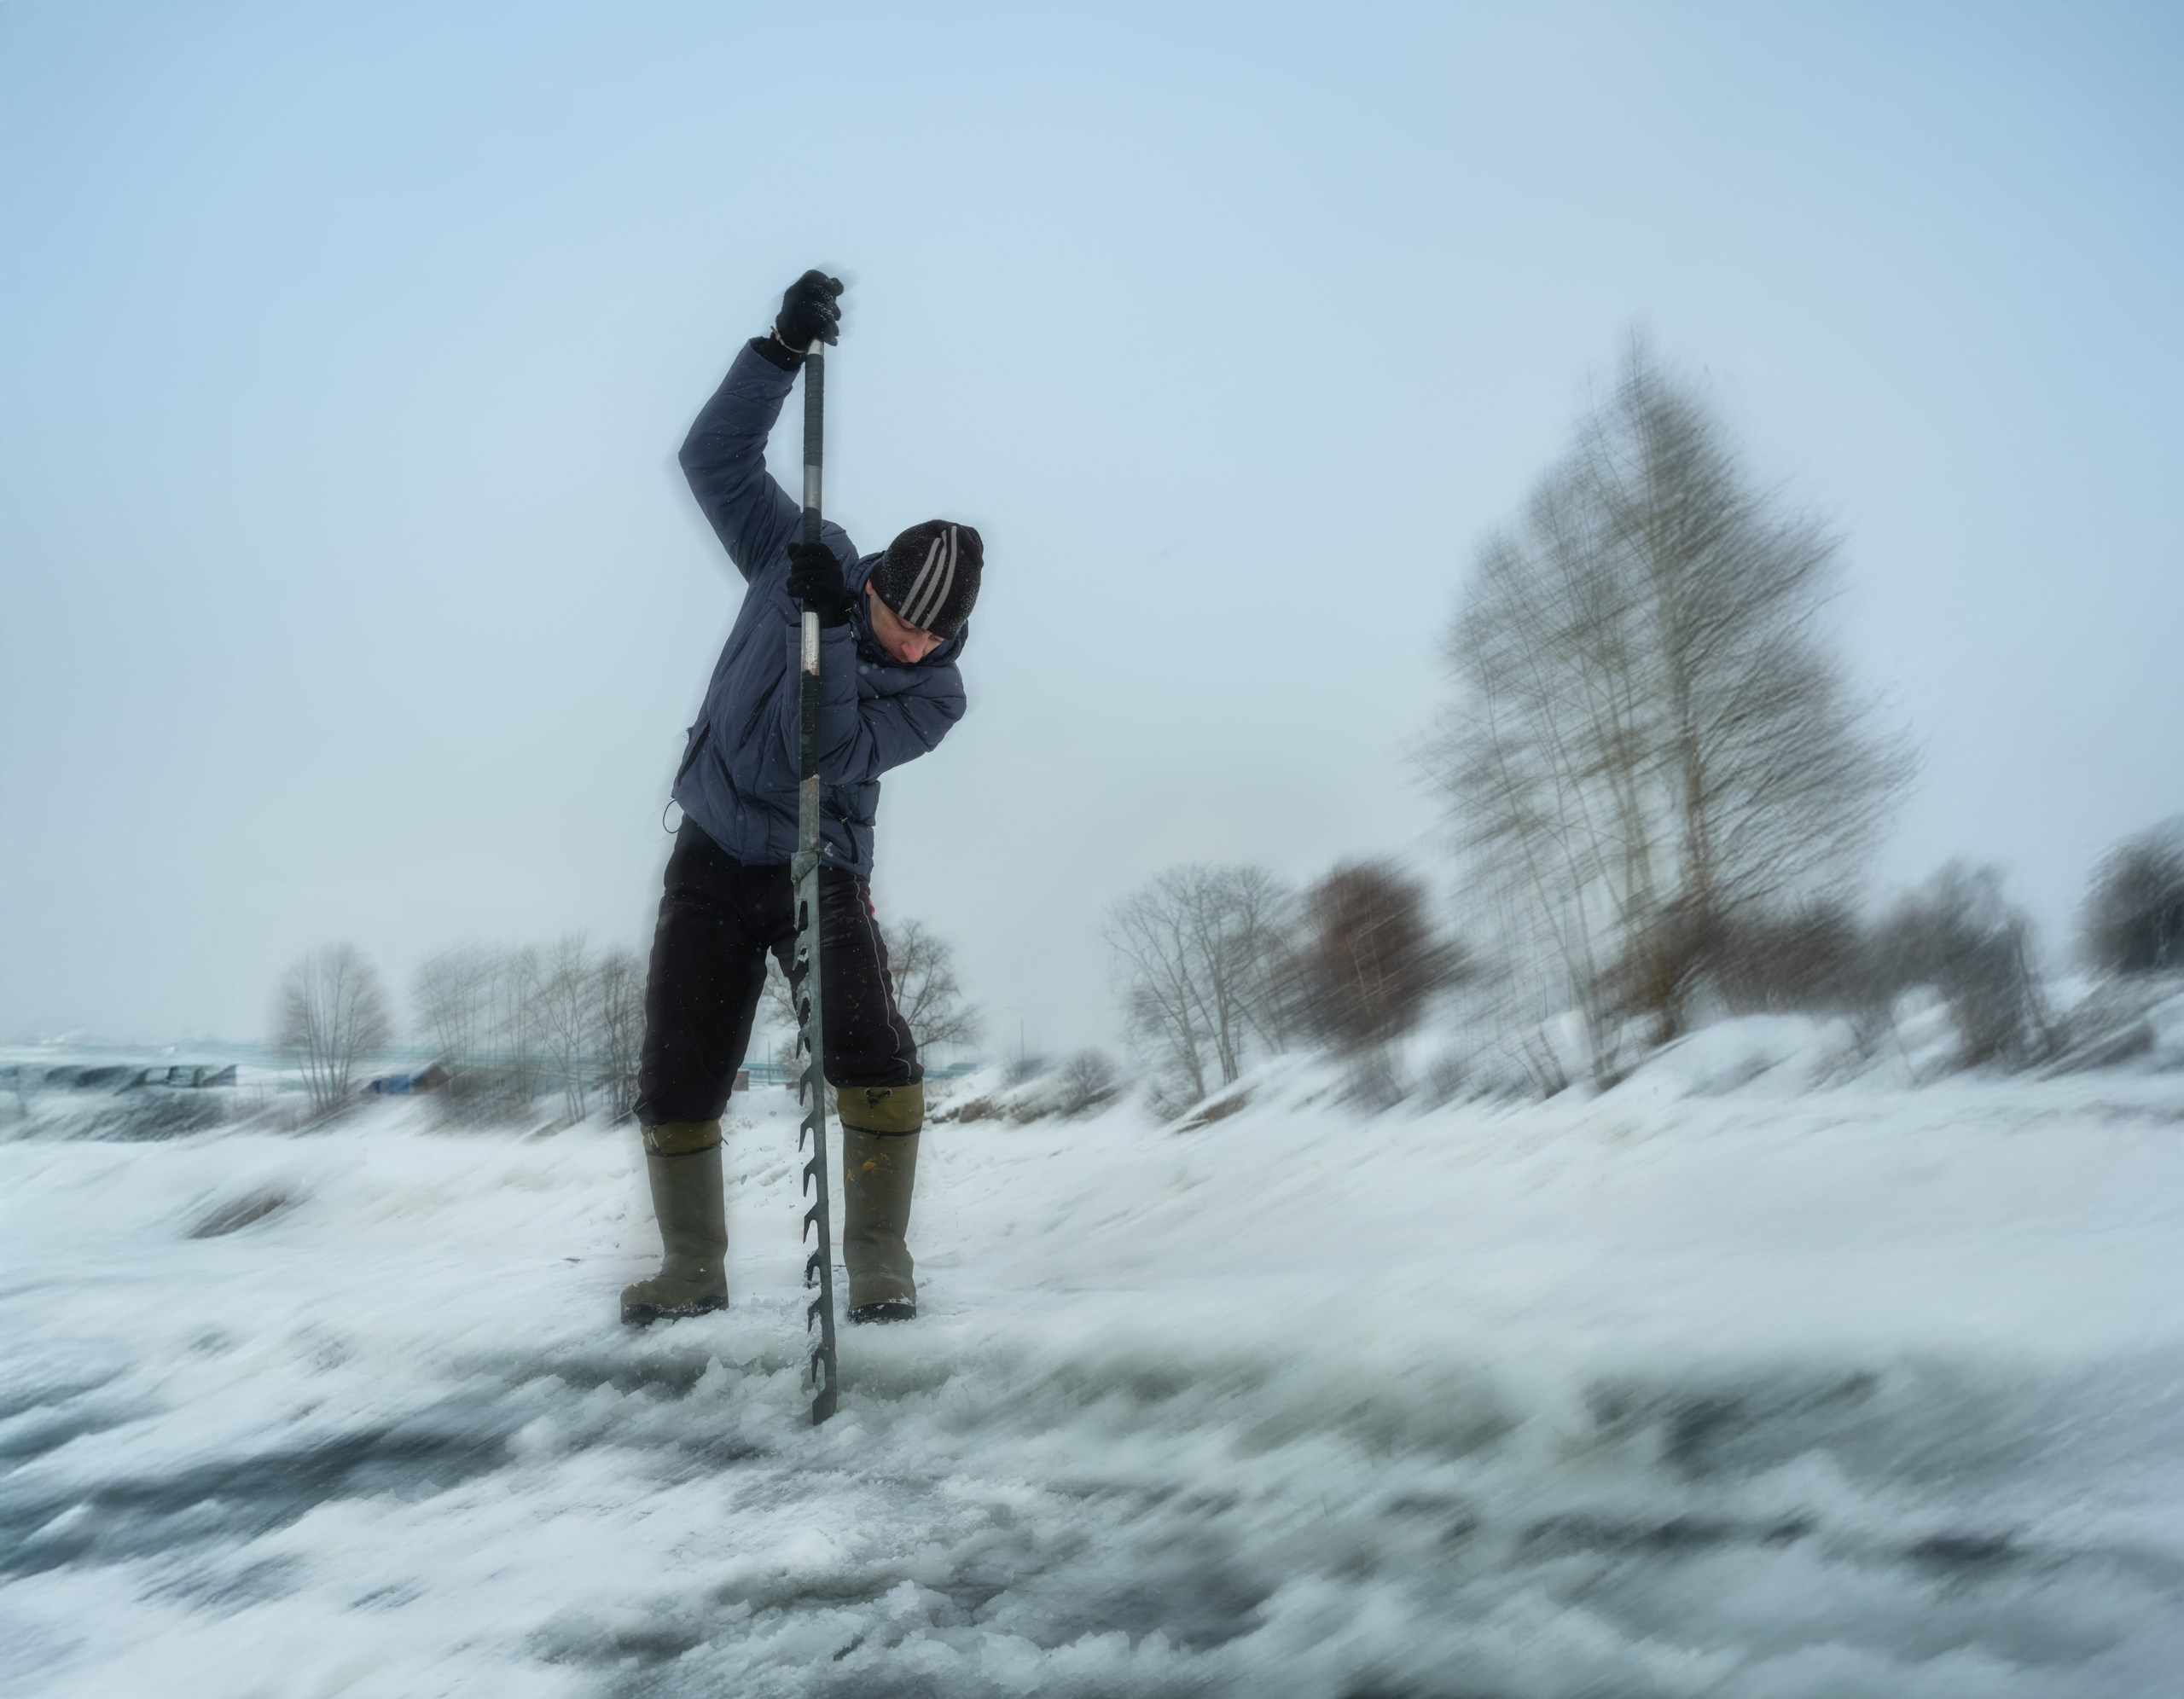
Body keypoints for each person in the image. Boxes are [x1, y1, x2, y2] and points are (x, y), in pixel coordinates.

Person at [621, 270, 982, 1329]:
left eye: (923, 637)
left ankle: (878, 1256)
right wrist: (776, 351)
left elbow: (807, 759)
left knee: (868, 1042)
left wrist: (822, 640)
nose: (903, 643)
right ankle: (693, 1268)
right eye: (889, 619)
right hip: (711, 846)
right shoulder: (801, 558)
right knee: (678, 1067)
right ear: (871, 578)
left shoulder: (936, 695)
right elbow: (713, 461)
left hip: (815, 863)